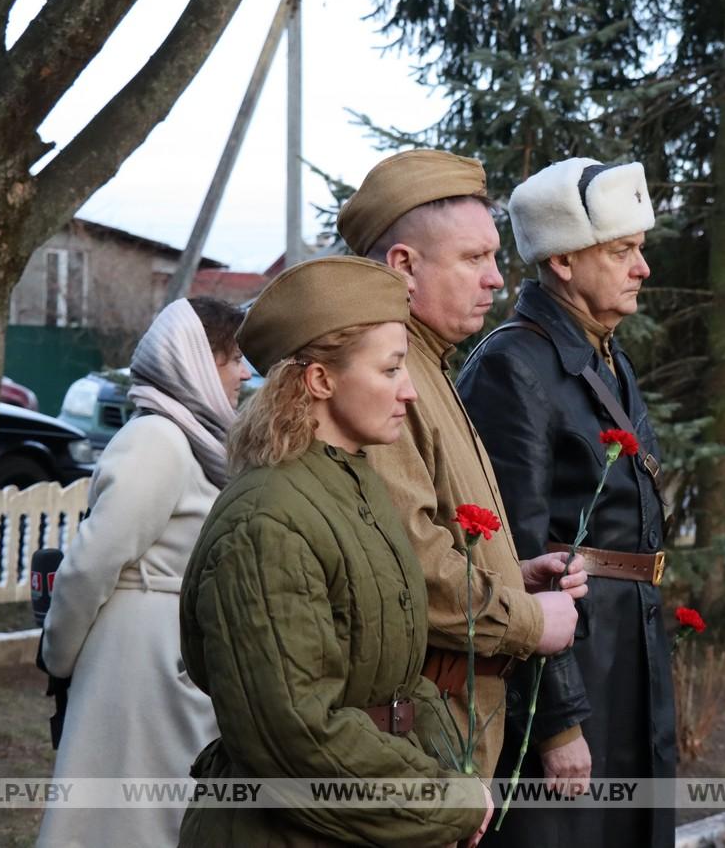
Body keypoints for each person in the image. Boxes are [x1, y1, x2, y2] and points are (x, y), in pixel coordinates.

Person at [177, 256, 492, 847]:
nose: (410, 390)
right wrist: (441, 800)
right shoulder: (267, 522)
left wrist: (450, 769)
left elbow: (392, 683)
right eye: (391, 369)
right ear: (320, 380)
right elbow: (296, 736)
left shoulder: (355, 486)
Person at [336, 149, 585, 778]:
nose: (497, 278)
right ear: (403, 267)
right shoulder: (386, 377)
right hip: (412, 729)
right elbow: (409, 563)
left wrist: (514, 574)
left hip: (440, 719)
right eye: (474, 258)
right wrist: (528, 618)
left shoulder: (428, 362)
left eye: (494, 257)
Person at [455, 157, 676, 846]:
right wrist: (557, 719)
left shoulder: (604, 353)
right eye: (621, 251)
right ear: (562, 262)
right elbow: (514, 556)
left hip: (625, 644)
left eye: (639, 248)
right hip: (573, 657)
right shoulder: (513, 364)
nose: (641, 267)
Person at [37, 296, 249, 848]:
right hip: (137, 662)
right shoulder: (157, 438)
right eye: (232, 358)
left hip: (166, 656)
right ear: (195, 362)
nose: (245, 373)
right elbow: (92, 563)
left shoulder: (195, 439)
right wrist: (60, 656)